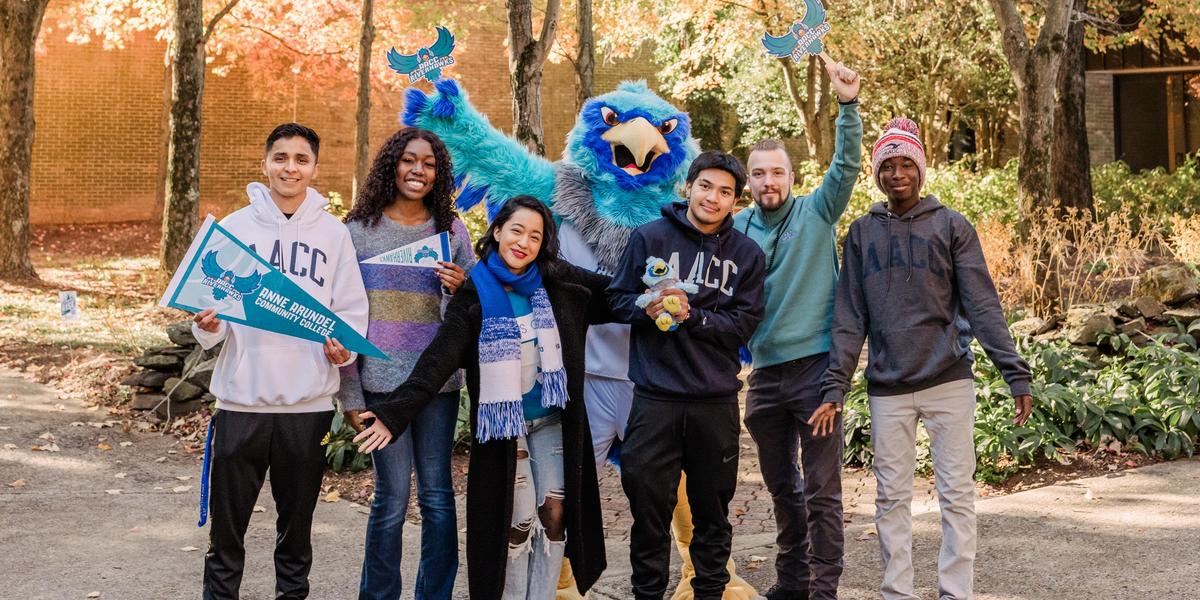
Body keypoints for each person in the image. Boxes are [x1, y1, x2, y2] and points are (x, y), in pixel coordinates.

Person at [352, 196, 613, 600]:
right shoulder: (473, 296)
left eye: (534, 236)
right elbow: (435, 364)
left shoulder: (558, 281)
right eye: (516, 230)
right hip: (506, 431)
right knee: (518, 520)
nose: (523, 242)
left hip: (553, 423)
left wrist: (657, 299)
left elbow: (616, 295)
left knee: (556, 515)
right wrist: (393, 413)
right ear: (496, 231)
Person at [817, 118, 1035, 600]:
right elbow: (850, 318)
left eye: (906, 165)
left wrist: (1015, 374)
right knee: (891, 497)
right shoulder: (860, 234)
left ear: (920, 169)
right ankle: (897, 591)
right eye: (887, 166)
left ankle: (956, 591)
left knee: (956, 494)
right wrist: (835, 387)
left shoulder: (952, 225)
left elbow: (982, 304)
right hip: (887, 389)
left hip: (947, 381)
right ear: (877, 175)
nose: (897, 174)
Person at [192, 123, 369, 600]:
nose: (290, 167)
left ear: (314, 168)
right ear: (265, 163)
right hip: (241, 404)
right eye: (281, 157)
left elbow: (350, 309)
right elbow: (211, 310)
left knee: (296, 534)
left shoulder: (333, 235)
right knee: (226, 534)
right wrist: (208, 326)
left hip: (305, 408)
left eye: (301, 159)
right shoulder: (233, 228)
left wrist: (343, 348)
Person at [607, 151, 766, 600]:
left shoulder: (747, 255)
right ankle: (648, 594)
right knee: (649, 512)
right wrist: (646, 307)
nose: (713, 198)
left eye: (725, 192)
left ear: (736, 200)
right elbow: (616, 300)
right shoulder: (649, 238)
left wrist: (693, 316)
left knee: (712, 513)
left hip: (714, 402)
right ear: (689, 187)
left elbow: (743, 325)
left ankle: (710, 592)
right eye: (706, 186)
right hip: (654, 400)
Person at [732, 60, 862, 600]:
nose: (769, 181)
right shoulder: (734, 228)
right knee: (783, 489)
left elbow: (847, 165)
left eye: (778, 172)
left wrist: (848, 105)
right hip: (763, 378)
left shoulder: (818, 212)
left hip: (814, 373)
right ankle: (791, 583)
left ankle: (823, 589)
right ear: (749, 179)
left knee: (823, 493)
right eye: (759, 173)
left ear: (792, 176)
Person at [339, 127, 475, 600]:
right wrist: (350, 396)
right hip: (380, 386)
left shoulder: (452, 231)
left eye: (429, 164)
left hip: (437, 386)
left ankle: (434, 594)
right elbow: (342, 321)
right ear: (391, 165)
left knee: (438, 498)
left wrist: (459, 289)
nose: (418, 171)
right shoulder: (356, 232)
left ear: (439, 174)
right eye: (408, 160)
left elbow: (475, 311)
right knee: (391, 501)